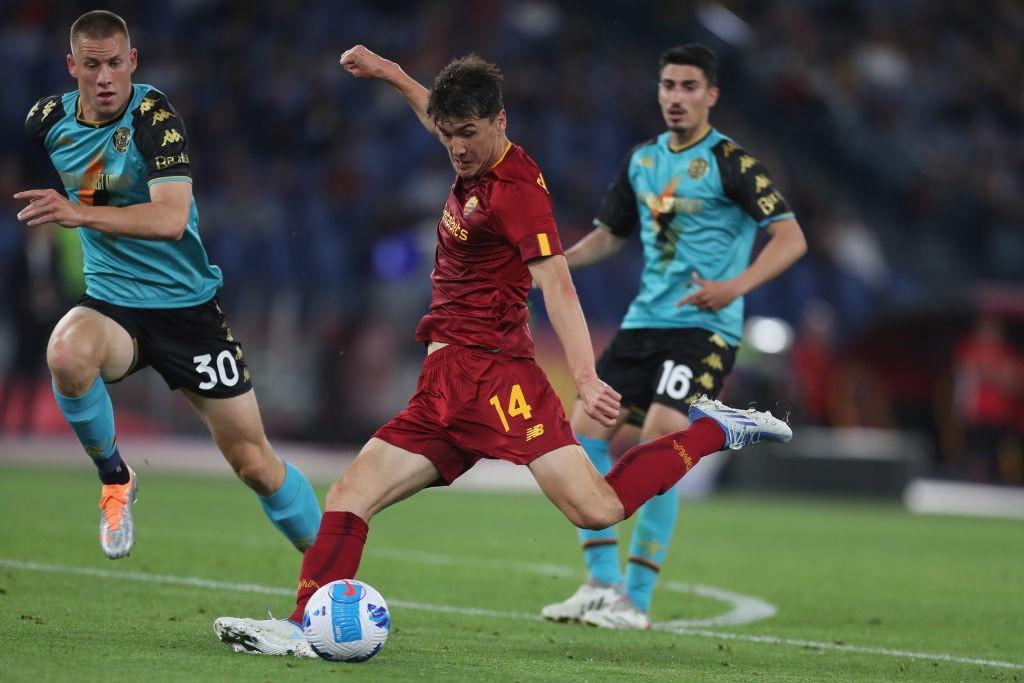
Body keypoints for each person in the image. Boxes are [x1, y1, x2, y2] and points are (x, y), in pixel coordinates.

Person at [213, 45, 793, 658]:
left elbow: (558, 284)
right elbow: (430, 113)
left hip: (498, 378)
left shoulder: (517, 191)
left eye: (468, 133)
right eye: (448, 134)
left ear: (500, 121)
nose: (456, 147)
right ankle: (306, 625)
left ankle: (711, 429)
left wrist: (585, 376)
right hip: (444, 383)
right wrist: (390, 73)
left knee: (596, 509)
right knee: (349, 494)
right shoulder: (465, 156)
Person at [16, 10, 321, 559]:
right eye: (92, 65)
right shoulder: (45, 122)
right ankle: (115, 480)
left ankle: (333, 565)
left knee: (253, 463)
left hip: (187, 309)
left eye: (115, 63)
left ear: (132, 61)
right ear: (72, 67)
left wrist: (78, 214)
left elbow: (170, 220)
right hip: (113, 304)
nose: (106, 77)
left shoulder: (155, 116)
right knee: (66, 353)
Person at [541, 44, 807, 630]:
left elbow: (790, 239)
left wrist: (734, 286)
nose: (676, 97)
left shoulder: (733, 163)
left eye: (689, 87)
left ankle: (635, 599)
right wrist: (550, 264)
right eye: (668, 86)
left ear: (711, 95)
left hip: (703, 328)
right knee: (580, 432)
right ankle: (601, 583)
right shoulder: (641, 162)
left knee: (660, 434)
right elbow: (610, 236)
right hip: (642, 323)